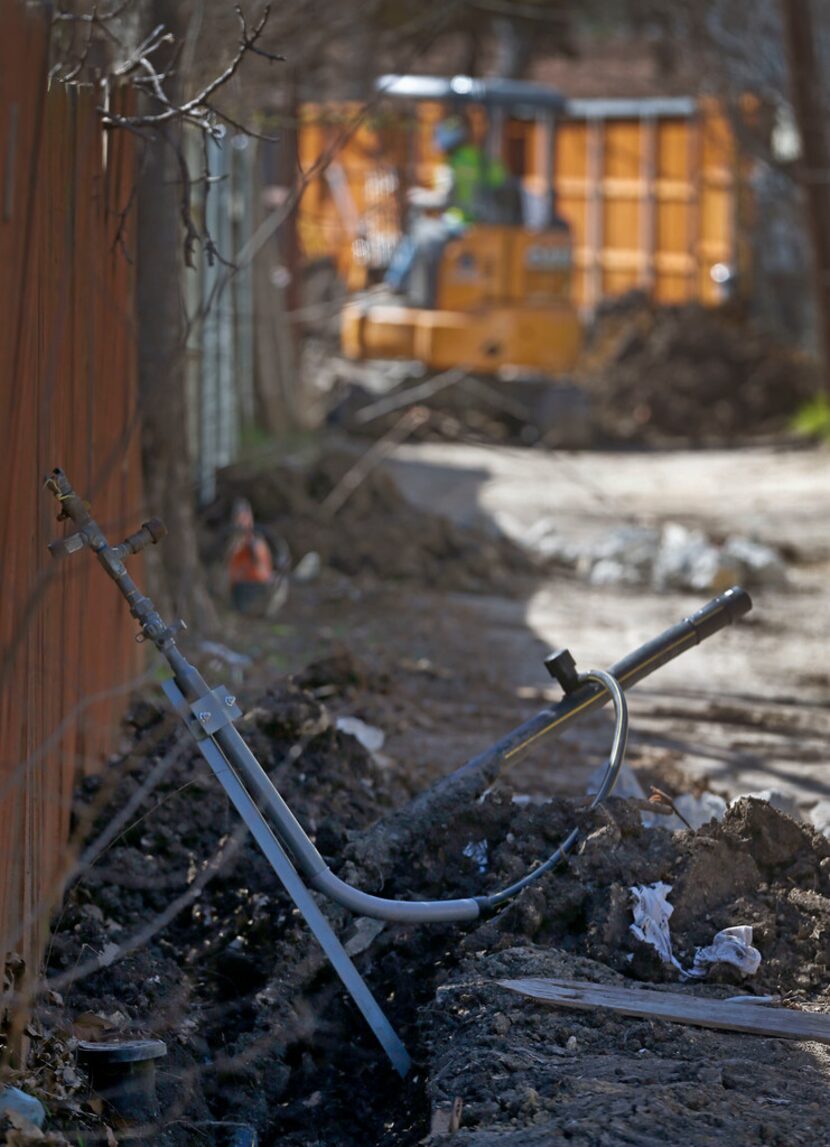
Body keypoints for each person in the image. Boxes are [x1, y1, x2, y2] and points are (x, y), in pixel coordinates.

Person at [385, 116, 507, 302]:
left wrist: (420, 197)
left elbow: (445, 199)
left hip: (461, 222)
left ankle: (396, 282)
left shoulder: (453, 165)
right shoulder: (481, 159)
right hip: (485, 222)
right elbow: (502, 183)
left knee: (419, 231)